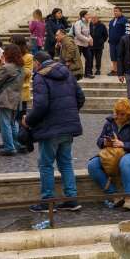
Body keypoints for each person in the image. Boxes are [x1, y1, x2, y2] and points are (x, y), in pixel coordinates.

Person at [23, 51, 85, 212]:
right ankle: (71, 199)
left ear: (37, 62)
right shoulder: (67, 73)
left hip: (50, 128)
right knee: (65, 163)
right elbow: (81, 98)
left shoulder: (40, 77)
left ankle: (47, 201)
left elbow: (41, 106)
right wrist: (69, 113)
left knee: (46, 164)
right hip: (67, 127)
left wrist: (28, 121)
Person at [87, 98, 130, 211]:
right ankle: (114, 195)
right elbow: (99, 140)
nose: (118, 116)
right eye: (116, 113)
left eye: (121, 114)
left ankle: (129, 198)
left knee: (126, 162)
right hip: (112, 154)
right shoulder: (110, 122)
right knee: (92, 165)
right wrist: (104, 142)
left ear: (129, 114)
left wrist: (123, 144)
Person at [0, 44, 26, 155]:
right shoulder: (21, 68)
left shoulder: (7, 67)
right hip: (16, 98)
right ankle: (16, 144)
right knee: (12, 123)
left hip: (6, 99)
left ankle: (9, 147)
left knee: (5, 123)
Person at [107, 7, 127, 77]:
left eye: (117, 11)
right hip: (112, 42)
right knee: (113, 57)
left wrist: (125, 40)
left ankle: (121, 71)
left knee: (120, 57)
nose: (115, 12)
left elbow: (127, 31)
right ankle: (114, 70)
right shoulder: (112, 20)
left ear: (121, 12)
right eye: (114, 11)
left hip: (120, 42)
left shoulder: (124, 20)